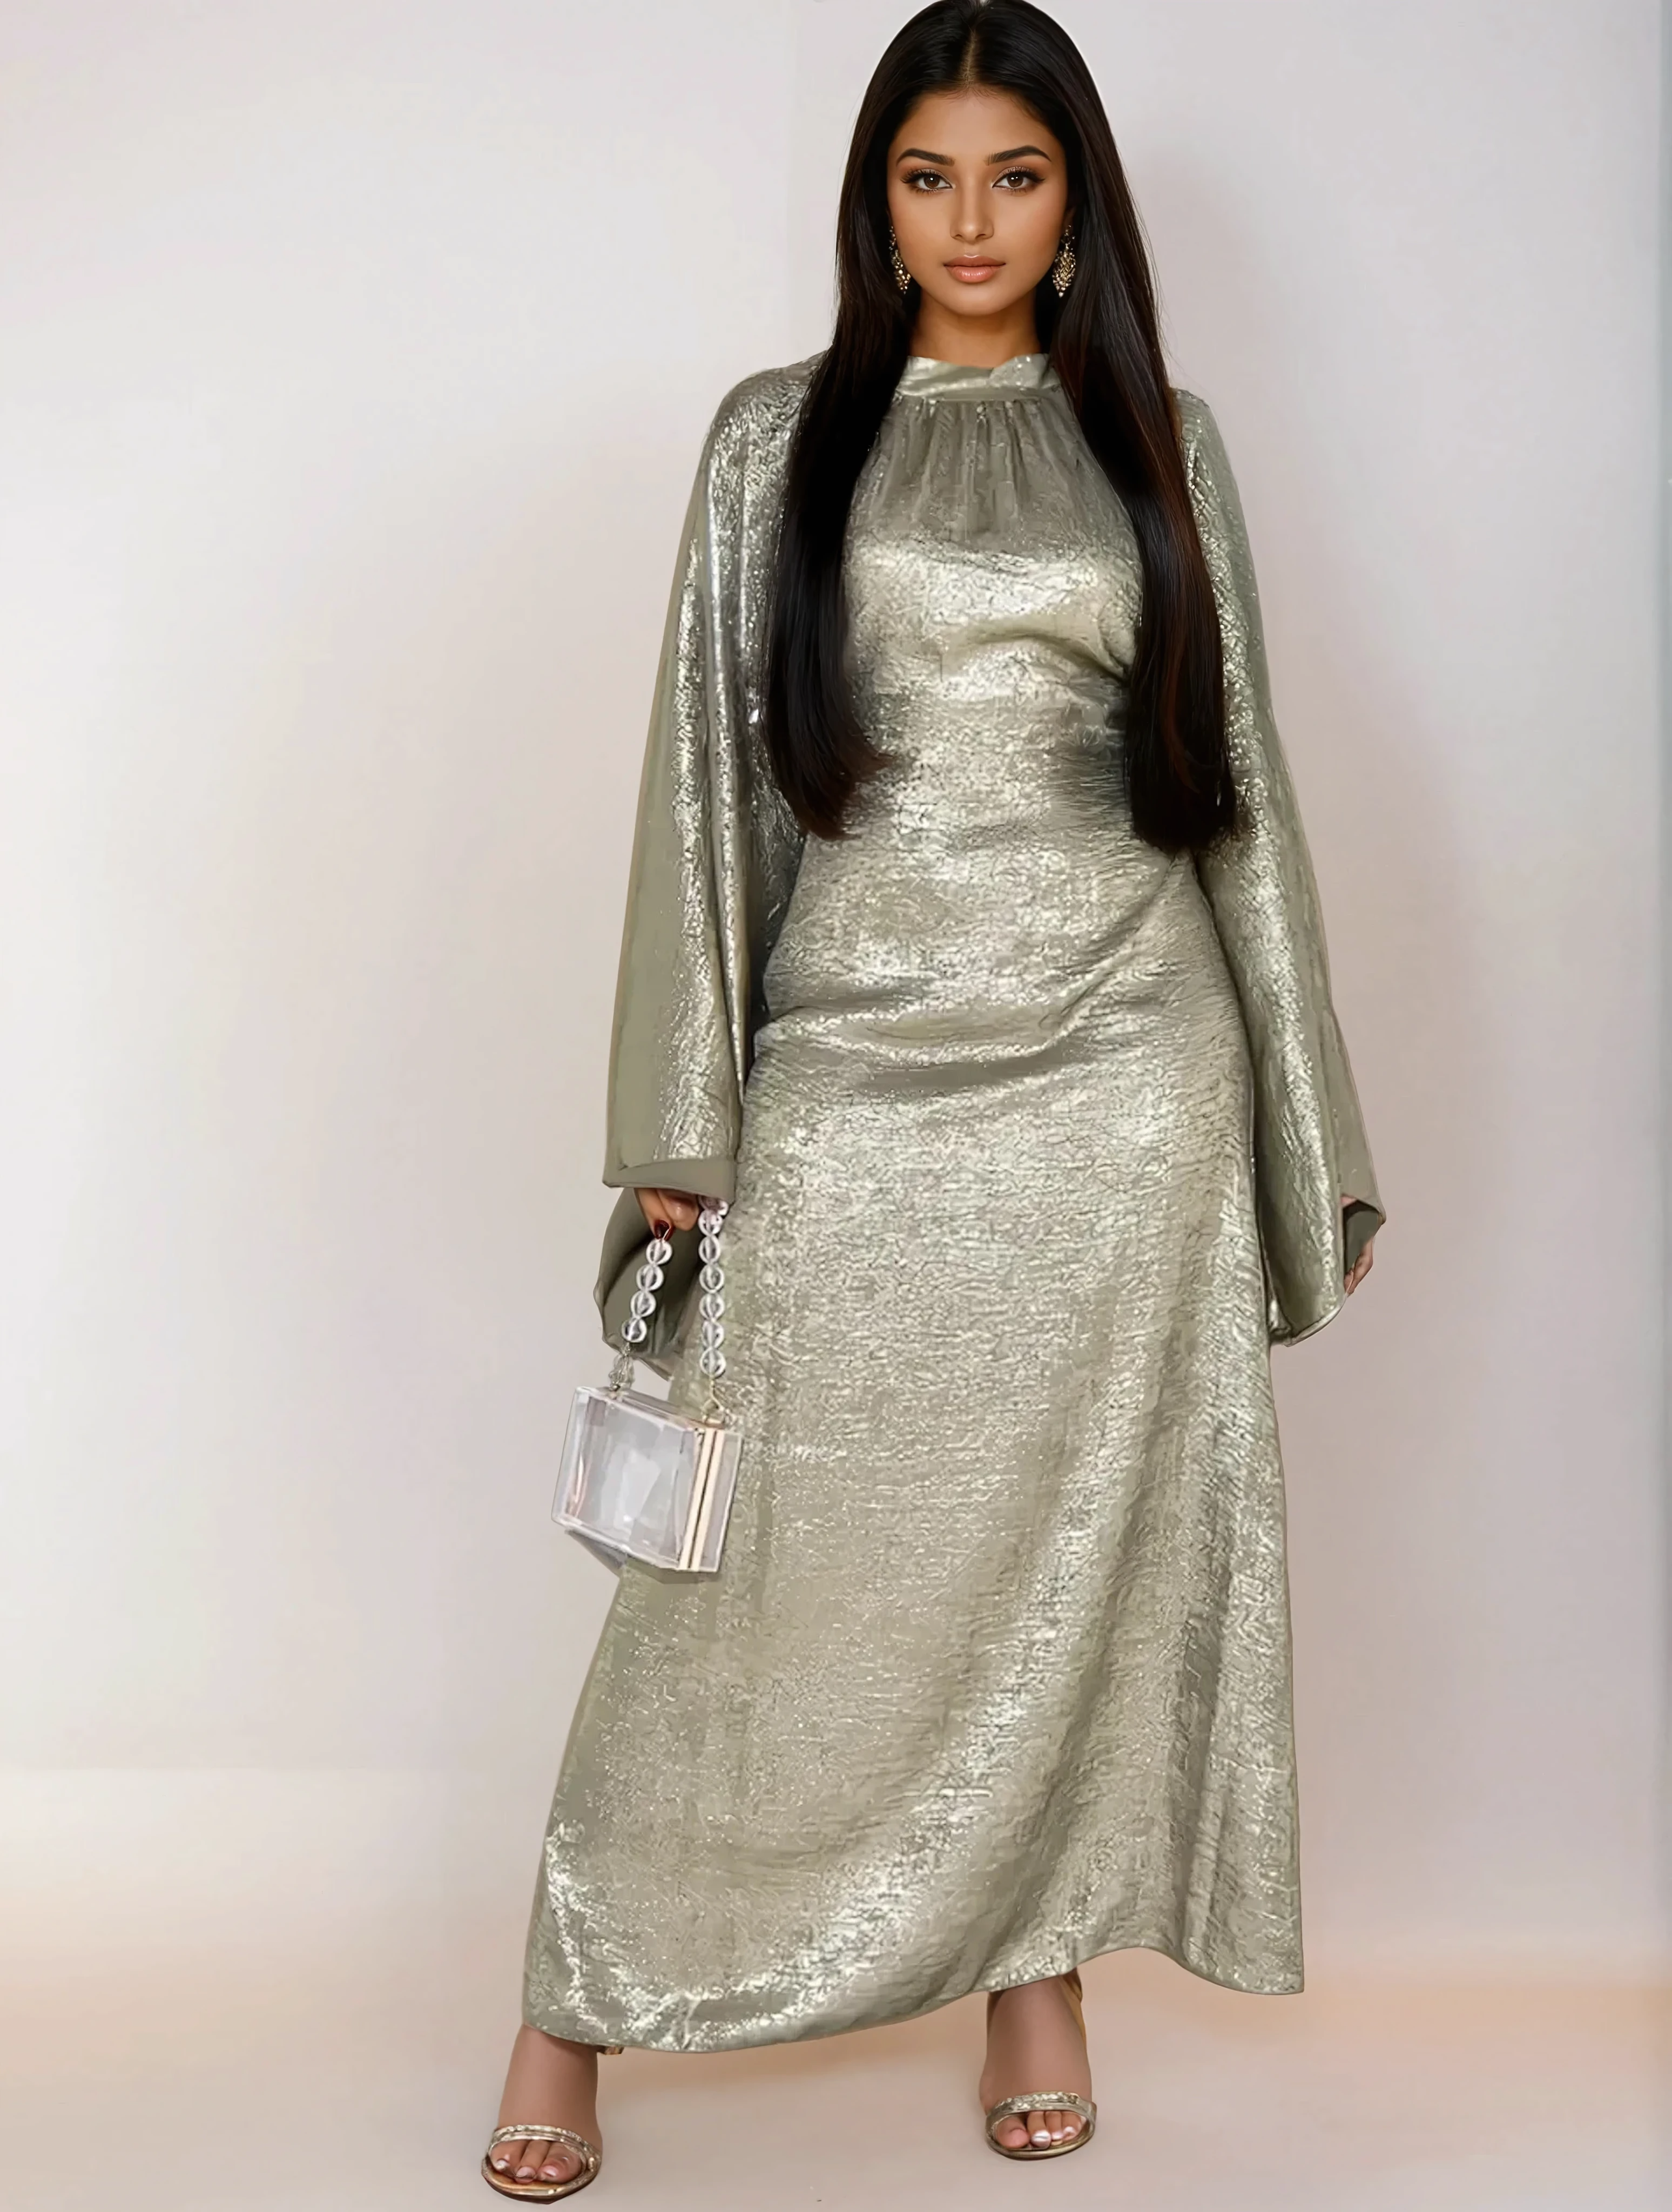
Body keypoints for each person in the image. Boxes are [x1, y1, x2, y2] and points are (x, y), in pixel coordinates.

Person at [483, 0, 1383, 2196]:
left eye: (1016, 173)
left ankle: (1036, 1980)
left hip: (1127, 1073)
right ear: (875, 199)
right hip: (858, 1060)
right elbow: (705, 786)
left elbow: (1238, 798)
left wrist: (1304, 1138)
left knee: (1074, 1558)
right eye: (927, 174)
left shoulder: (1164, 442)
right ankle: (570, 2002)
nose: (971, 219)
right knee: (743, 1570)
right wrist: (685, 1126)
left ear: (1078, 203)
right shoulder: (772, 441)